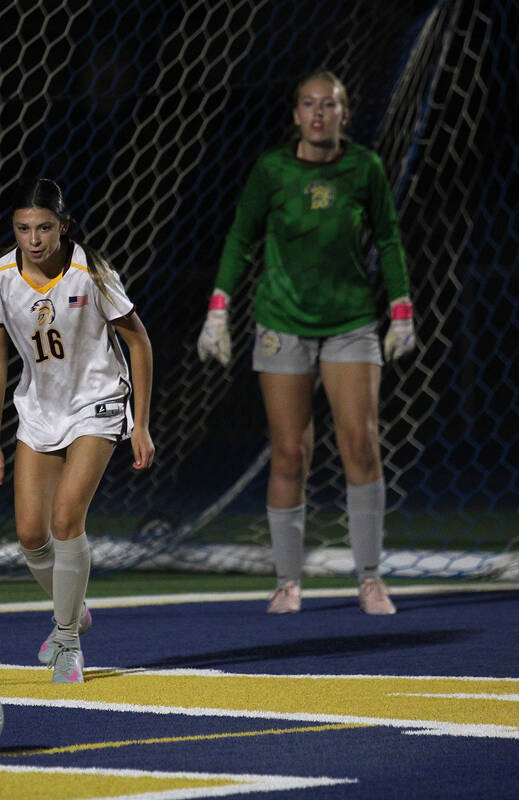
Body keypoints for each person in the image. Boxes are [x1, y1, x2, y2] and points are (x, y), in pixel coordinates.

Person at [197, 70, 415, 616]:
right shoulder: (271, 170)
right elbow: (240, 238)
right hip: (281, 322)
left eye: (330, 104)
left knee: (360, 445)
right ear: (296, 114)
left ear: (345, 113)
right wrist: (217, 313)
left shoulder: (365, 167)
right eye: (309, 104)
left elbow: (388, 239)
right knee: (290, 453)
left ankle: (369, 579)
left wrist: (402, 312)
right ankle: (288, 582)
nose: (319, 113)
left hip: (351, 323)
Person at [0, 178, 155, 683]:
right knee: (31, 535)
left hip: (97, 403)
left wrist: (140, 422)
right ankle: (71, 603)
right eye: (23, 228)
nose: (34, 239)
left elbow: (139, 345)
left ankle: (68, 641)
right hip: (39, 411)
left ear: (64, 226)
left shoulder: (92, 274)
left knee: (65, 517)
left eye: (45, 228)